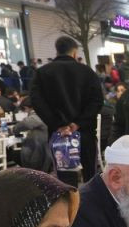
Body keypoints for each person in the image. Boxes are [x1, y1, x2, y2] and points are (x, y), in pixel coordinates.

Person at [29, 36, 105, 179]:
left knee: (65, 181)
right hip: (85, 133)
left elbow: (37, 101)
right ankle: (88, 202)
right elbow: (97, 101)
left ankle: (69, 202)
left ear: (57, 51)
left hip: (59, 135)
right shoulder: (87, 72)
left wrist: (58, 124)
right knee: (90, 177)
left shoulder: (42, 73)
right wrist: (78, 123)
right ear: (75, 52)